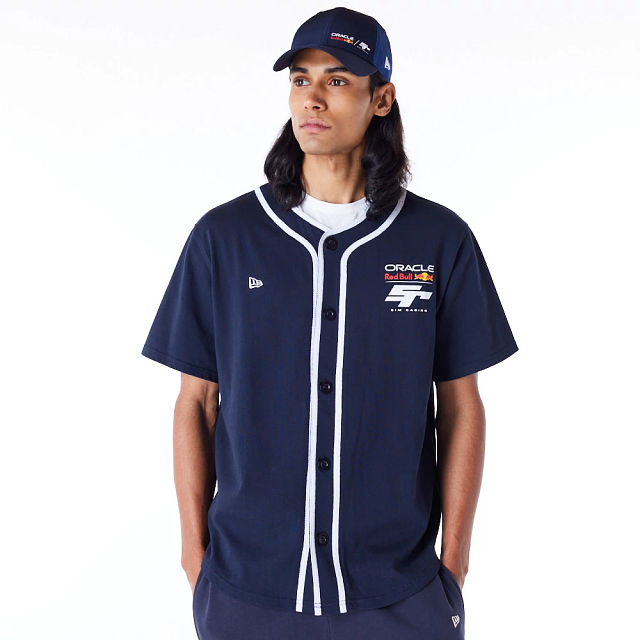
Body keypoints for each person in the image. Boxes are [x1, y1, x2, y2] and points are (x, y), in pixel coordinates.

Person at [141, 7, 519, 639]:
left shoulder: (438, 240)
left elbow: (461, 407)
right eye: (300, 79)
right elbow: (195, 402)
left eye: (337, 80)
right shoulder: (224, 238)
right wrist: (194, 558)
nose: (312, 98)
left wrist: (453, 565)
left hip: (400, 593)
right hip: (247, 589)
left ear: (382, 99)